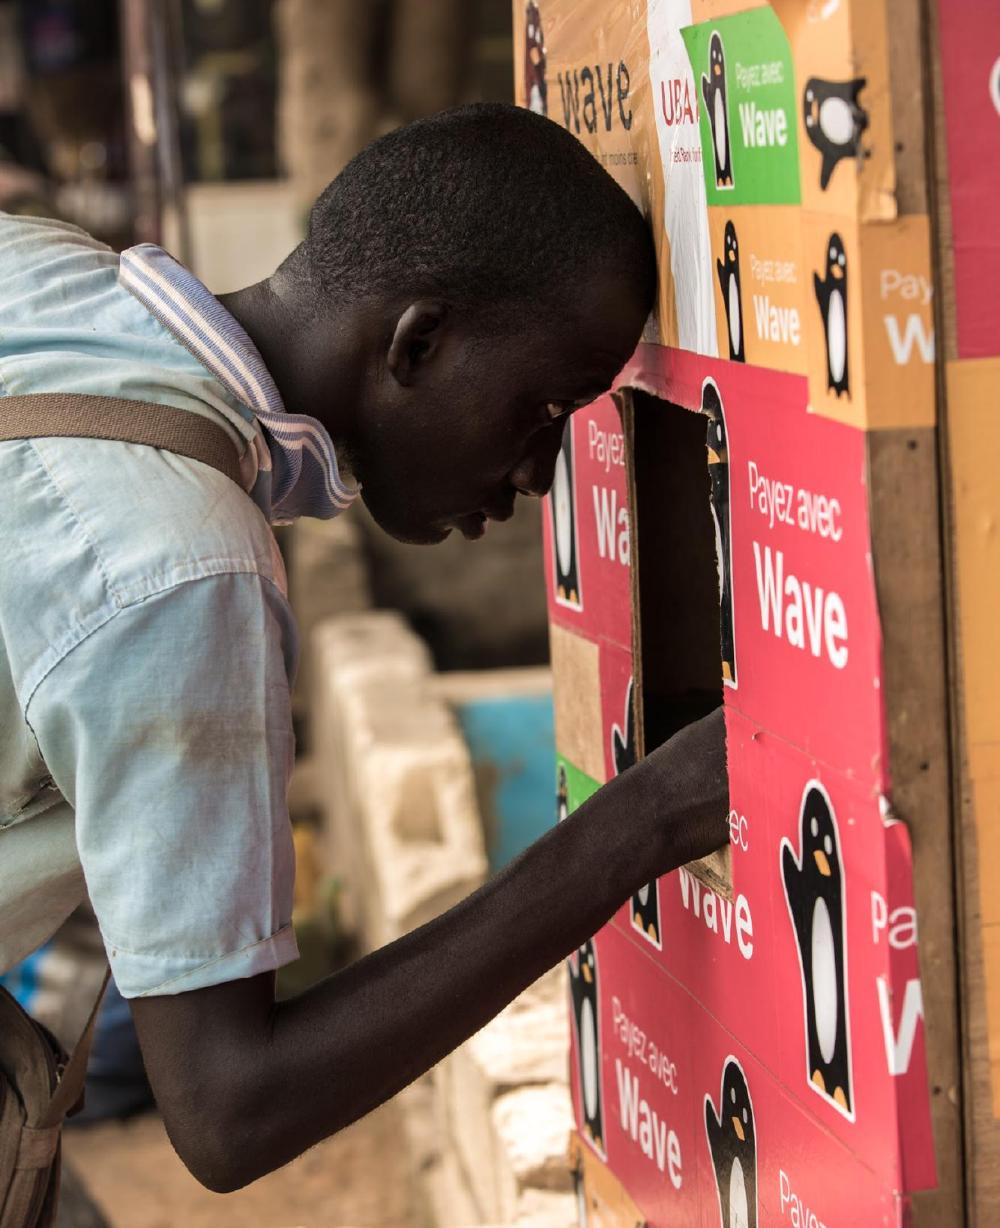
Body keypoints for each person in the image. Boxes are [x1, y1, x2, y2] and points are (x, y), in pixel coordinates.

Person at [0, 103, 728, 1193]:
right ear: (418, 341)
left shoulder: (33, 265)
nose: (539, 477)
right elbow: (230, 1106)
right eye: (542, 408)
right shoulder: (185, 575)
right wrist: (642, 821)